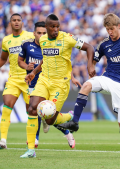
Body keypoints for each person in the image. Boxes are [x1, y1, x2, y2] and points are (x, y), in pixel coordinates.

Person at [57, 13, 120, 158]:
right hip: (108, 78)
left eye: (112, 29)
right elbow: (94, 57)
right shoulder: (104, 44)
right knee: (86, 86)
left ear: (118, 27)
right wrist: (90, 66)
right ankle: (75, 122)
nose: (110, 32)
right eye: (107, 29)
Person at [20, 14, 94, 158]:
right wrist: (34, 72)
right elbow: (44, 61)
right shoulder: (43, 40)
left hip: (60, 84)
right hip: (44, 80)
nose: (55, 29)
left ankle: (69, 116)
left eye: (57, 26)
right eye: (52, 27)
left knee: (49, 120)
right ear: (46, 28)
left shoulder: (67, 38)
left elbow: (89, 47)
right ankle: (30, 150)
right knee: (32, 108)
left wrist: (89, 65)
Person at [18, 21, 75, 149]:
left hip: (53, 84)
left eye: (44, 32)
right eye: (39, 33)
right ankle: (35, 140)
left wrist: (72, 77)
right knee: (33, 110)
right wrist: (28, 67)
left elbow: (62, 64)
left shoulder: (51, 45)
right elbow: (19, 61)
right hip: (35, 83)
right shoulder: (27, 45)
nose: (41, 35)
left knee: (49, 114)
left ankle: (67, 132)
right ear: (34, 33)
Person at [0, 13, 34, 149]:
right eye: (14, 20)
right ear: (10, 23)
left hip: (28, 79)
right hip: (13, 79)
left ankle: (33, 140)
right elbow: (3, 59)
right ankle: (3, 140)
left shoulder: (30, 36)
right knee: (7, 105)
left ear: (22, 22)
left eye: (19, 20)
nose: (16, 22)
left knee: (31, 110)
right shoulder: (6, 40)